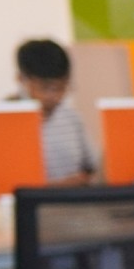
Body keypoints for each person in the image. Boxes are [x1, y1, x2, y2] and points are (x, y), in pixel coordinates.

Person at [15, 38, 97, 185]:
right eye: (46, 88)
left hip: (73, 204)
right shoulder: (1, 122)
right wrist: (56, 187)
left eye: (62, 87)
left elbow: (92, 167)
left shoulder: (71, 118)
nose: (56, 97)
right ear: (22, 80)